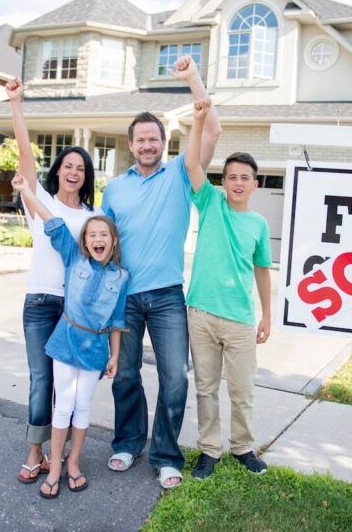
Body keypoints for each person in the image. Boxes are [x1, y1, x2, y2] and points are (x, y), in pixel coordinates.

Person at [102, 55, 221, 489]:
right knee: (126, 376)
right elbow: (102, 244)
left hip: (169, 295)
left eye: (155, 138)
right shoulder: (114, 188)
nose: (148, 145)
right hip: (125, 297)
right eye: (141, 140)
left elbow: (212, 131)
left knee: (175, 376)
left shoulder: (181, 174)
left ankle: (165, 453)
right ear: (131, 145)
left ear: (164, 142)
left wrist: (193, 81)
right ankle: (127, 442)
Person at [6, 78, 101, 485]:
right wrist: (16, 104)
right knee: (41, 377)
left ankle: (63, 457)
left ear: (87, 176)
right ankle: (35, 451)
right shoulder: (38, 201)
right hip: (40, 304)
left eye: (81, 169)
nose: (74, 173)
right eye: (68, 166)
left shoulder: (93, 218)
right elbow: (25, 154)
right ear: (58, 171)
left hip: (75, 312)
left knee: (70, 386)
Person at [12, 172, 128, 499]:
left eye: (104, 234)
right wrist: (26, 192)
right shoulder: (73, 256)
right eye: (92, 234)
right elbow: (52, 220)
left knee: (83, 406)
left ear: (113, 240)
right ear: (85, 241)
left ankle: (74, 462)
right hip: (66, 343)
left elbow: (117, 319)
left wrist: (115, 354)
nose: (97, 239)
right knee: (63, 404)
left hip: (95, 349)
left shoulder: (121, 277)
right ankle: (55, 469)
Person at [183, 98, 272, 479]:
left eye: (244, 177)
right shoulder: (210, 203)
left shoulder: (259, 224)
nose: (237, 182)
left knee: (241, 390)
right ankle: (209, 450)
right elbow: (190, 164)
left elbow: (263, 271)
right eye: (231, 176)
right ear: (224, 182)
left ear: (255, 183)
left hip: (239, 319)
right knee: (205, 388)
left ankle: (242, 448)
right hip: (201, 312)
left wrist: (267, 315)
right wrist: (198, 120)